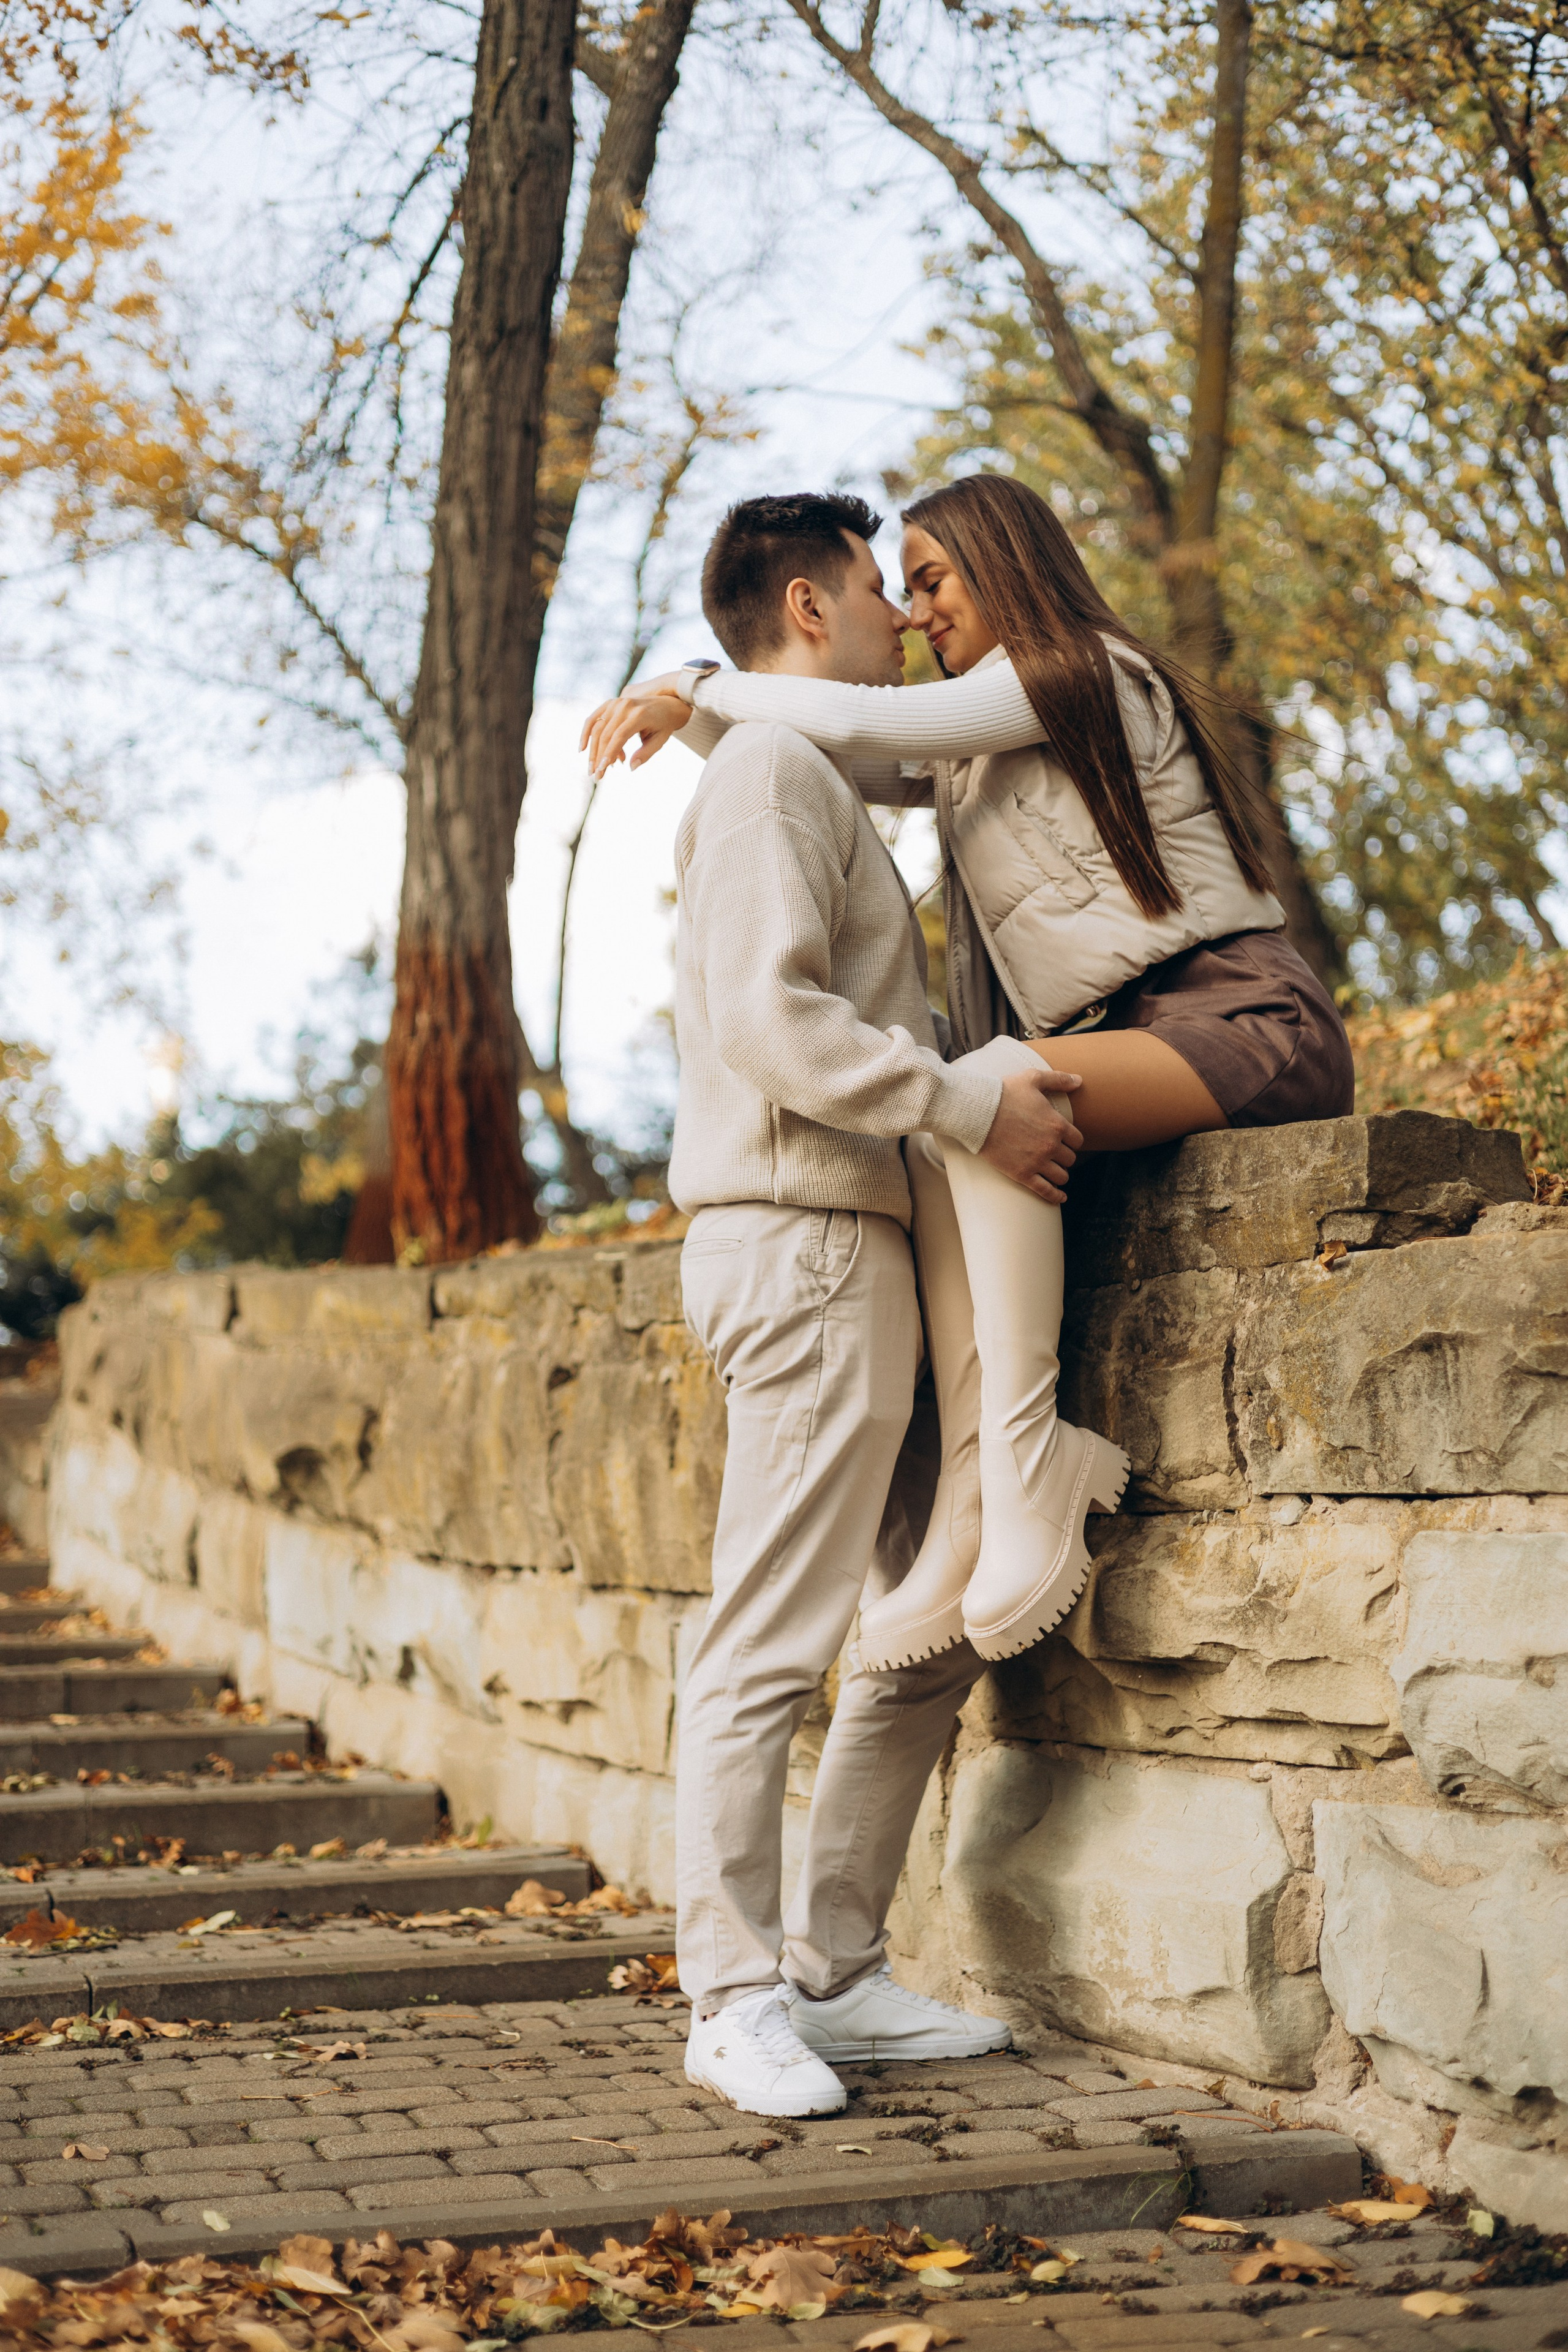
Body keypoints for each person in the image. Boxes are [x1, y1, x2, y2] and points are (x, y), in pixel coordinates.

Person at [583, 472, 1354, 1680]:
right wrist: (693, 712)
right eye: (897, 588)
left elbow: (862, 726)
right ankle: (967, 1506)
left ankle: (1023, 1461)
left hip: (1240, 1012)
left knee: (981, 1085)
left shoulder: (1080, 674)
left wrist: (687, 684)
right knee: (955, 1106)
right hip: (1128, 1027)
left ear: (1010, 567)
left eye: (932, 581)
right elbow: (809, 737)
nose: (912, 613)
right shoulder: (972, 752)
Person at [650, 489, 1088, 2122]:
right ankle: (733, 1994)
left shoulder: (802, 767)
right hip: (802, 1239)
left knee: (829, 1617)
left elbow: (942, 755)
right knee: (762, 1638)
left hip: (845, 1244)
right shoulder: (769, 776)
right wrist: (969, 1107)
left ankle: (831, 1971)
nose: (908, 618)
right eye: (877, 591)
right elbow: (771, 1024)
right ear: (808, 613)